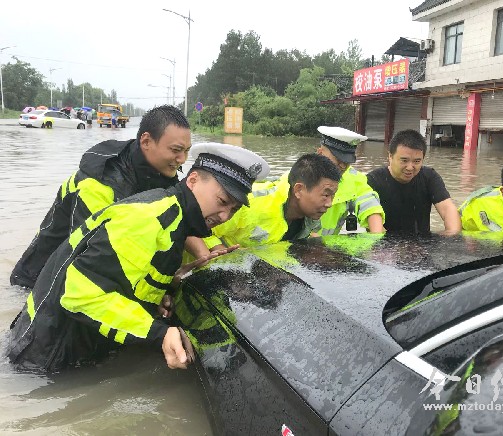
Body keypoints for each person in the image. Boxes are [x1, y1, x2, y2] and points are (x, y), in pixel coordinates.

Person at [6, 143, 270, 372]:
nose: (224, 216)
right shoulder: (148, 219)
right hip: (44, 358)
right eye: (222, 201)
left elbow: (125, 277)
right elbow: (80, 295)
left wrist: (174, 283)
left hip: (70, 351)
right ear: (192, 181)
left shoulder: (176, 221)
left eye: (233, 209)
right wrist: (159, 334)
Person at [10, 105, 192, 289]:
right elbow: (95, 255)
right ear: (146, 142)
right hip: (39, 280)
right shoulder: (99, 184)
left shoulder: (159, 171)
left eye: (186, 151)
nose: (182, 159)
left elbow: (178, 220)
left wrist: (204, 251)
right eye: (176, 150)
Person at [203, 153, 341, 249]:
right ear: (299, 190)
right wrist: (222, 252)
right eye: (326, 195)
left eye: (333, 196)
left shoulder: (311, 218)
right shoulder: (250, 203)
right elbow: (200, 229)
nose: (329, 203)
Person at [367, 129, 461, 236]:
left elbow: (447, 209)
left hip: (422, 242)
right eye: (404, 160)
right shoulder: (373, 181)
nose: (410, 167)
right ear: (390, 157)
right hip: (386, 241)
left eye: (416, 161)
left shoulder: (429, 177)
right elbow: (375, 227)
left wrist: (451, 234)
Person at [315, 126, 385, 235]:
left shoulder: (354, 178)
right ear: (320, 153)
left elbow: (370, 205)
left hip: (326, 243)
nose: (343, 166)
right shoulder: (299, 176)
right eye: (338, 160)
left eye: (347, 161)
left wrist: (377, 237)